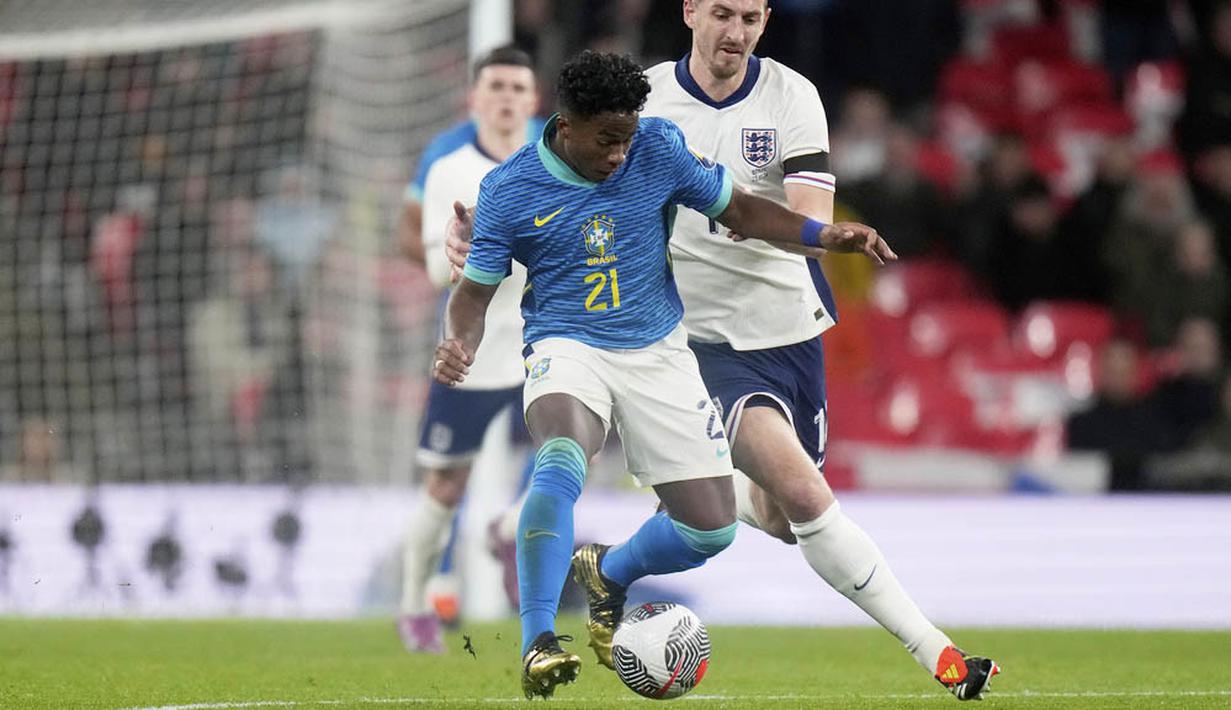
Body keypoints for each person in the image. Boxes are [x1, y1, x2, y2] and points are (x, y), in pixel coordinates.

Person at [448, 1, 998, 700]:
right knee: (805, 494)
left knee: (778, 516)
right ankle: (940, 655)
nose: (734, 32)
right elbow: (550, 168)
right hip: (696, 338)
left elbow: (801, 211)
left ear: (765, 20)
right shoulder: (644, 103)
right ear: (689, 13)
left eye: (749, 17)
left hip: (787, 327)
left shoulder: (791, 95)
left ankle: (611, 568)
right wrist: (472, 233)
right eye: (720, 14)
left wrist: (788, 224)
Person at [396, 46, 540, 654]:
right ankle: (415, 604)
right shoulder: (449, 166)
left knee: (571, 452)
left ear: (534, 101)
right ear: (475, 98)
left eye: (518, 88)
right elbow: (434, 267)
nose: (507, 97)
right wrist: (464, 251)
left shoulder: (559, 159)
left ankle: (509, 530)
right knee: (445, 487)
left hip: (543, 344)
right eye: (496, 86)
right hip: (470, 349)